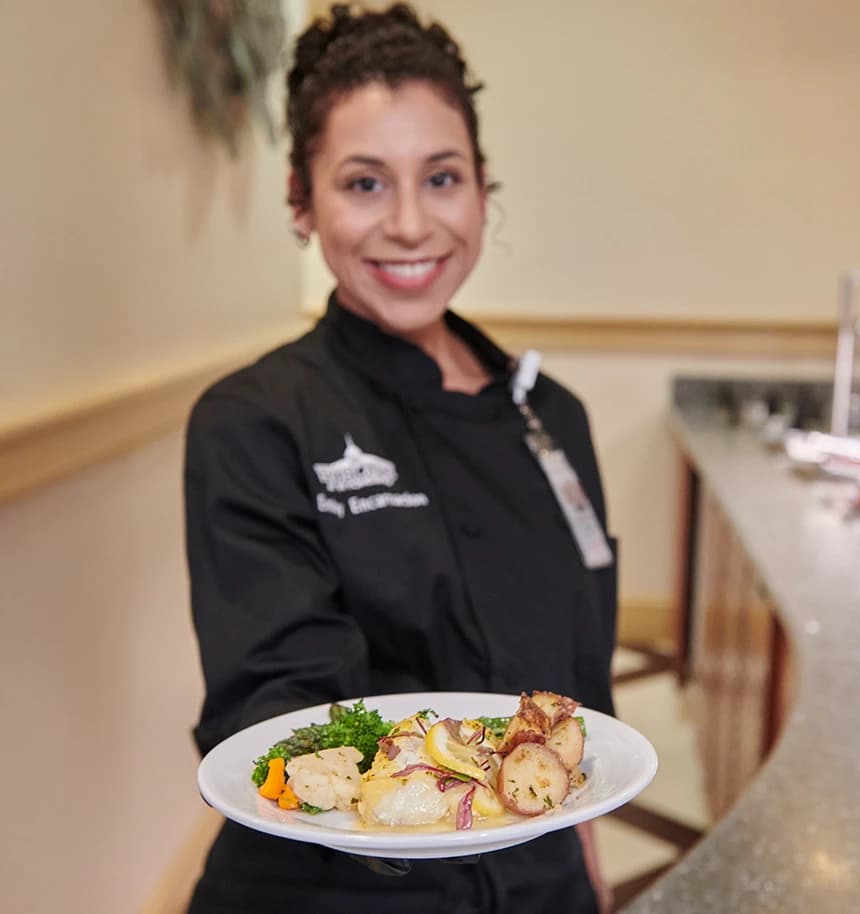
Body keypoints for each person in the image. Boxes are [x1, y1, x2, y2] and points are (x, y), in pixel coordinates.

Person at [184, 4, 618, 912]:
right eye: (366, 184)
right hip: (342, 891)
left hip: (541, 884)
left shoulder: (555, 418)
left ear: (483, 190)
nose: (413, 225)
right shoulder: (255, 422)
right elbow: (282, 716)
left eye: (443, 177)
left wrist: (580, 849)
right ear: (302, 203)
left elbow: (573, 701)